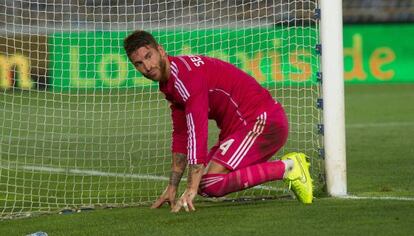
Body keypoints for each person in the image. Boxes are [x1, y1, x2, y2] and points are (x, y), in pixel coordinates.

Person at [123, 30, 313, 213]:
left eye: (149, 56)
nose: (147, 67)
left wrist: (190, 187)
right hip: (241, 127)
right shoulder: (171, 81)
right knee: (207, 184)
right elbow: (181, 134)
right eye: (139, 63)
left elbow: (197, 133)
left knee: (207, 183)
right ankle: (287, 167)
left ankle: (288, 167)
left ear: (161, 50)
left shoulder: (185, 77)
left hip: (261, 121)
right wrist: (172, 186)